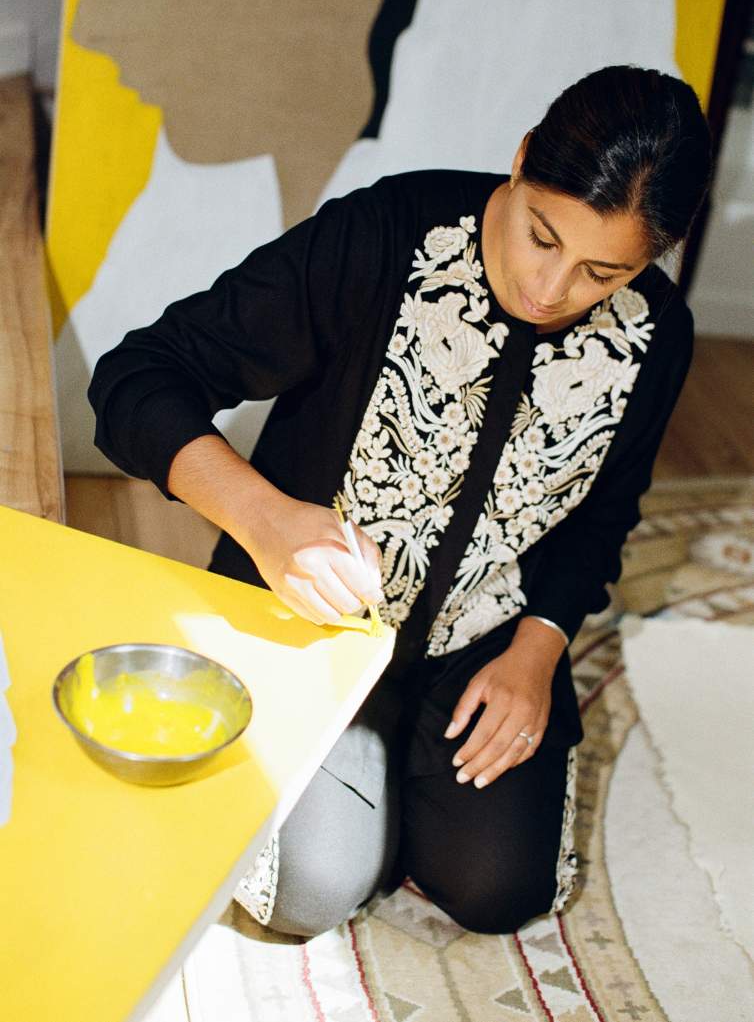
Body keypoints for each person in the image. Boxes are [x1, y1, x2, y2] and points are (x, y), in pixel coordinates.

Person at [89, 65, 711, 937]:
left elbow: (604, 516)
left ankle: (394, 794)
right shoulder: (384, 237)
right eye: (541, 235)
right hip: (319, 625)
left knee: (498, 889)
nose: (549, 289)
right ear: (524, 158)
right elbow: (135, 379)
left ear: (652, 259)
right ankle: (361, 800)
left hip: (480, 648)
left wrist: (538, 648)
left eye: (600, 273)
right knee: (312, 887)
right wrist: (264, 520)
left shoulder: (656, 336)